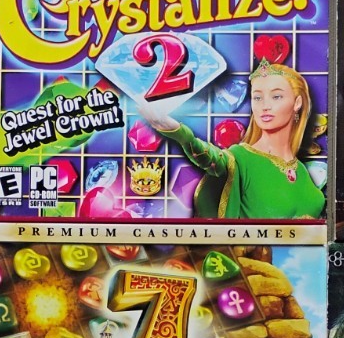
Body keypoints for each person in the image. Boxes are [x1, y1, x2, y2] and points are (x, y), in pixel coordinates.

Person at [136, 62, 324, 221]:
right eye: (257, 97)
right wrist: (180, 133)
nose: (265, 106)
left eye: (276, 96)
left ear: (297, 103)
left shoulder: (302, 171)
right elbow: (210, 158)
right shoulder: (240, 158)